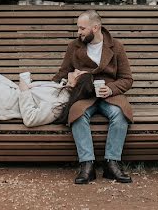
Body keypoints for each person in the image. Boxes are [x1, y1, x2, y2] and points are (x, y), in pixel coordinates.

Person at [52, 9, 134, 184]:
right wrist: (69, 81)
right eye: (78, 29)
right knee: (77, 114)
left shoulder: (116, 46)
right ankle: (87, 165)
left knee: (120, 115)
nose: (79, 32)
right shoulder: (74, 47)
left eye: (82, 29)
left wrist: (111, 89)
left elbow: (127, 79)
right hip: (84, 95)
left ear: (95, 28)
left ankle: (112, 164)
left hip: (109, 95)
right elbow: (61, 75)